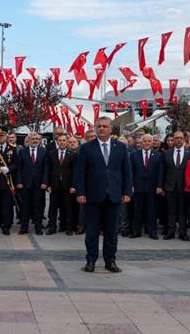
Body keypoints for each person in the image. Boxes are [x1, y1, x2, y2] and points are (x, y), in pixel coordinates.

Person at [73, 116, 132, 273]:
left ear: (111, 129)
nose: (101, 129)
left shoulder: (120, 147)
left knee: (112, 231)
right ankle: (91, 260)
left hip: (113, 195)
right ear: (95, 128)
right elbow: (79, 173)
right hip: (92, 196)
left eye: (105, 126)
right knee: (91, 231)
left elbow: (126, 171)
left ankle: (110, 261)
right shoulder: (86, 148)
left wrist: (127, 191)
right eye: (99, 126)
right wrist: (80, 192)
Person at [14, 131, 49, 235]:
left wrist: (45, 182)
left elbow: (46, 169)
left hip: (39, 184)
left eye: (37, 139)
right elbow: (19, 168)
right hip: (25, 184)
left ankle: (38, 228)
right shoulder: (22, 152)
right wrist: (19, 182)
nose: (35, 141)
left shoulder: (44, 151)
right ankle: (24, 227)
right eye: (33, 139)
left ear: (40, 140)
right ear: (28, 140)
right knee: (25, 207)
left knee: (38, 207)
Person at [129, 134, 163, 239]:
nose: (147, 143)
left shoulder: (158, 155)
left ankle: (152, 232)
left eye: (149, 141)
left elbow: (160, 172)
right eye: (145, 141)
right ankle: (136, 231)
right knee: (137, 210)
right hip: (138, 187)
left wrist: (159, 186)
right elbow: (131, 172)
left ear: (152, 143)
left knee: (151, 211)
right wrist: (131, 185)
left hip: (152, 188)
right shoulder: (134, 155)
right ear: (141, 142)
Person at [162, 130, 190, 240]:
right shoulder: (166, 153)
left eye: (180, 138)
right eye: (176, 138)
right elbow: (163, 171)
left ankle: (183, 233)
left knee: (183, 212)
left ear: (184, 139)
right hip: (170, 186)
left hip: (184, 186)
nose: (178, 140)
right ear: (173, 140)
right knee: (171, 211)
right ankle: (170, 232)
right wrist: (161, 186)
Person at [47, 133, 76, 235]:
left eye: (64, 140)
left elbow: (74, 171)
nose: (62, 142)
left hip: (67, 186)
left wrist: (73, 185)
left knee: (68, 208)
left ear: (67, 142)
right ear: (57, 142)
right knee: (53, 208)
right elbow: (48, 170)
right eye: (60, 140)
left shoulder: (72, 154)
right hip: (54, 186)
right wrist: (48, 185)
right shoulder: (51, 154)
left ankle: (68, 228)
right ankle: (52, 227)